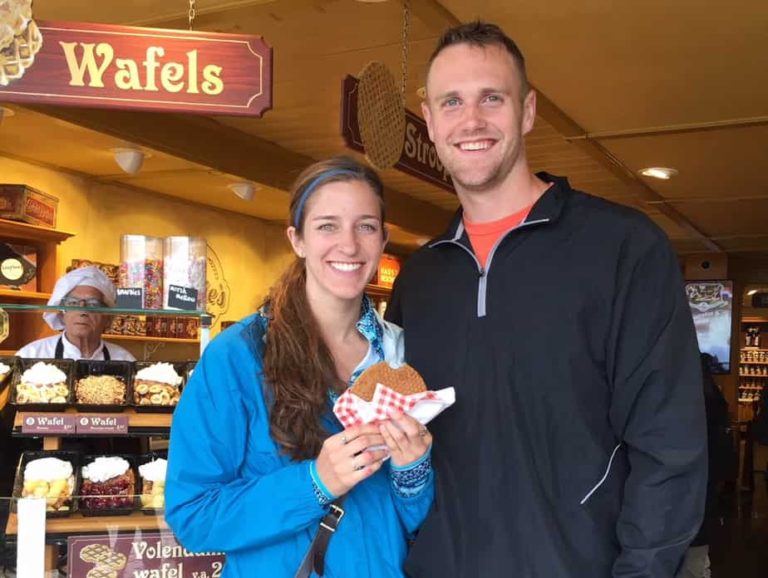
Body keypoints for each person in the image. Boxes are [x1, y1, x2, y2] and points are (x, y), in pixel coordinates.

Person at [385, 21, 707, 578]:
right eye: (452, 102)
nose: (472, 120)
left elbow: (669, 450)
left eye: (492, 97)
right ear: (431, 123)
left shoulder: (622, 249)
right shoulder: (421, 279)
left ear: (528, 110)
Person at [165, 156, 434, 578]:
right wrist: (315, 482)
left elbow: (413, 522)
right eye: (327, 225)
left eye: (365, 226)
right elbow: (193, 516)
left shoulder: (401, 353)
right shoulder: (237, 356)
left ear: (383, 240)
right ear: (298, 239)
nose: (348, 245)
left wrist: (413, 473)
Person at [676, 353, 735, 578]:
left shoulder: (680, 401)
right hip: (703, 497)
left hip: (677, 498)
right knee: (697, 561)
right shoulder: (714, 400)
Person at [16, 265, 134, 361]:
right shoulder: (31, 356)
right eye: (73, 303)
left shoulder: (124, 360)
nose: (82, 311)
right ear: (62, 314)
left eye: (92, 304)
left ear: (107, 317)